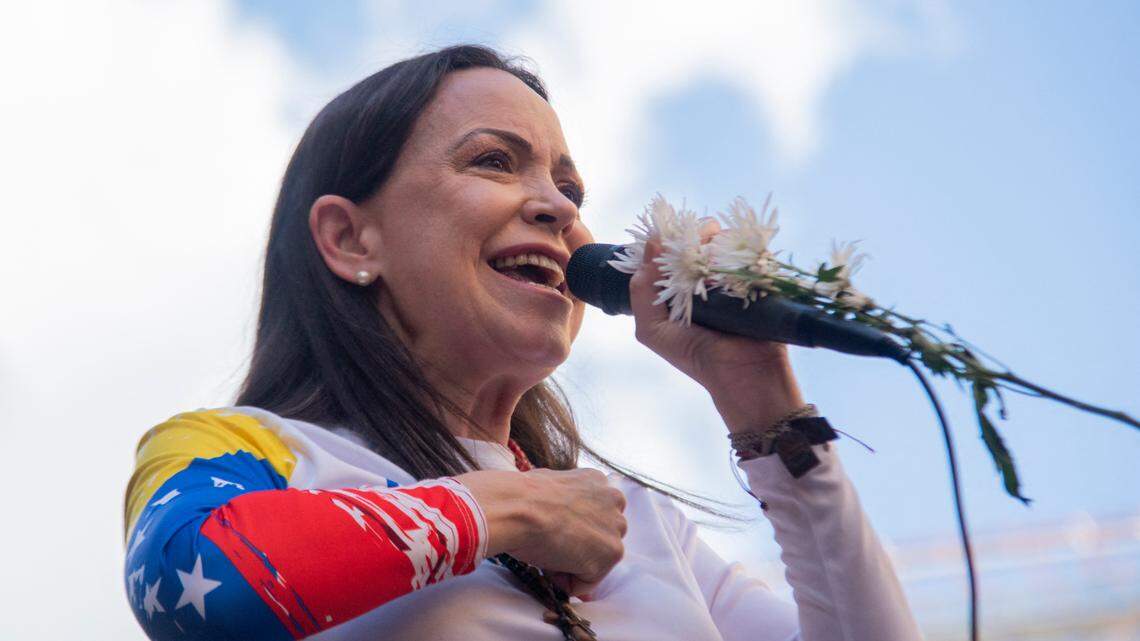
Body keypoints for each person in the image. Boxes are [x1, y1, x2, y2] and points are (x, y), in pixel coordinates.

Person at [121, 44, 922, 641]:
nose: (557, 207)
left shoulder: (636, 523)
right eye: (495, 162)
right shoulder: (246, 452)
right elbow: (191, 582)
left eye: (570, 189)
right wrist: (501, 511)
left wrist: (766, 409)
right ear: (350, 239)